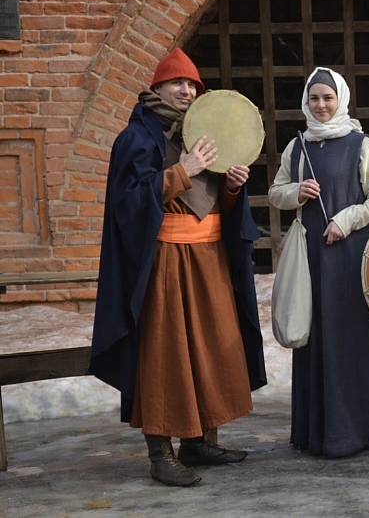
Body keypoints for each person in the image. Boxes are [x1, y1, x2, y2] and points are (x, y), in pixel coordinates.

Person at [90, 48, 267, 486]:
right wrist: (181, 171)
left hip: (208, 261)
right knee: (166, 354)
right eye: (177, 83)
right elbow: (128, 206)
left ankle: (197, 442)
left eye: (192, 85)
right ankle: (160, 453)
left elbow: (220, 206)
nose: (186, 91)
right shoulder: (136, 138)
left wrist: (231, 187)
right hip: (165, 263)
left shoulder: (205, 131)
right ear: (158, 87)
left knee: (208, 349)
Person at [268, 67, 369, 457]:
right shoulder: (296, 147)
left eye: (328, 98)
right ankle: (319, 433)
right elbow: (275, 192)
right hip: (312, 258)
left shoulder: (362, 144)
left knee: (352, 338)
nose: (321, 105)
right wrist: (296, 191)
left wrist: (345, 220)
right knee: (316, 337)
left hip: (352, 257)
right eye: (314, 98)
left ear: (341, 99)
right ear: (306, 102)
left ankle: (363, 431)